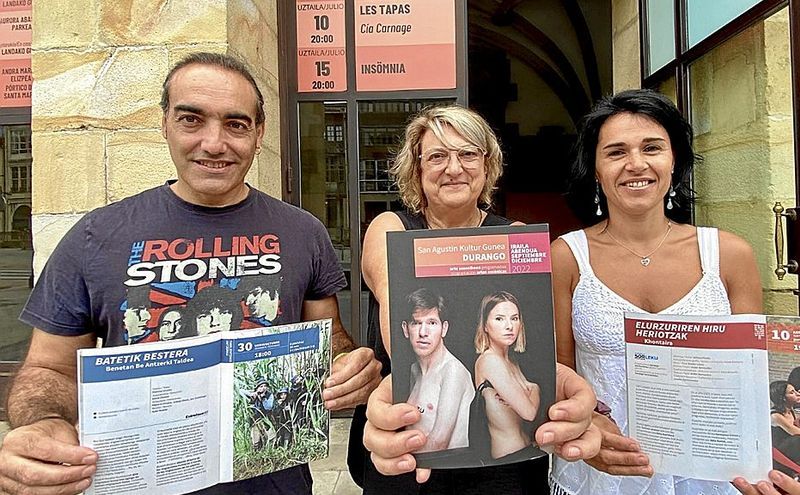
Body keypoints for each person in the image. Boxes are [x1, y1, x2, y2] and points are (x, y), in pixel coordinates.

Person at [0, 52, 381, 495]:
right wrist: (44, 422)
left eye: (236, 124)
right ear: (164, 123)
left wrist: (348, 368)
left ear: (259, 134)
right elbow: (49, 368)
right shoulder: (95, 235)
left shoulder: (303, 231)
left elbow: (328, 337)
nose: (214, 143)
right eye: (192, 120)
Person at [349, 104, 601, 495]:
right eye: (437, 156)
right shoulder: (391, 228)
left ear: (487, 167)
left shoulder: (516, 235)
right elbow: (397, 308)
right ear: (416, 171)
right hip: (409, 426)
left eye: (468, 154)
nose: (454, 168)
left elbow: (535, 340)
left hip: (497, 450)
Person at [550, 89, 764, 494]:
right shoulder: (566, 257)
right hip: (607, 466)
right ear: (595, 168)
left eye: (652, 148)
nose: (636, 164)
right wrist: (587, 423)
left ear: (675, 160)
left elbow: (750, 377)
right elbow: (560, 369)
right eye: (615, 152)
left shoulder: (729, 255)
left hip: (711, 470)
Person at [401, 288, 474, 452]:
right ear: (406, 329)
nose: (423, 333)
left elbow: (440, 441)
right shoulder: (415, 370)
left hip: (447, 471)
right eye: (416, 323)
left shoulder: (452, 370)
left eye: (432, 323)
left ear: (444, 328)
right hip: (415, 469)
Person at [472, 291, 540, 460]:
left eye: (514, 318)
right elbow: (529, 413)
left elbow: (534, 396)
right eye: (499, 319)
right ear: (485, 326)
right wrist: (529, 390)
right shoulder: (489, 361)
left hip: (527, 451)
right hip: (507, 460)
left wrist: (534, 389)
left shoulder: (512, 361)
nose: (509, 326)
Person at [243, 377, 277, 450]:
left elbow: (268, 407)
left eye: (265, 386)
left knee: (270, 437)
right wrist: (252, 394)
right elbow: (240, 391)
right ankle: (256, 454)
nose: (263, 388)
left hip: (266, 419)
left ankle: (268, 452)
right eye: (261, 386)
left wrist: (263, 398)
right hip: (256, 420)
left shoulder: (269, 395)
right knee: (256, 439)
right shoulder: (254, 394)